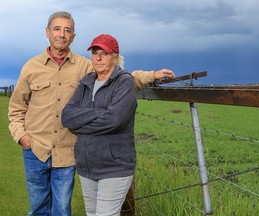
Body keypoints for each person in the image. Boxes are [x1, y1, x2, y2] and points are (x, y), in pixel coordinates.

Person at [8, 11, 174, 216]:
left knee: (61, 209)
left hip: (67, 152)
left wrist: (152, 75)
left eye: (67, 30)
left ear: (73, 37)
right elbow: (16, 108)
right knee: (38, 208)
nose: (62, 34)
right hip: (36, 149)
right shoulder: (31, 67)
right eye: (57, 29)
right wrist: (22, 137)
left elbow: (120, 76)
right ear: (47, 32)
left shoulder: (85, 66)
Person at [62, 33, 136, 216]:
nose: (99, 57)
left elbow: (114, 120)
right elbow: (67, 117)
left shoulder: (124, 81)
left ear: (115, 58)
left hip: (115, 166)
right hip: (87, 166)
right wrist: (99, 112)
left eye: (105, 53)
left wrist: (81, 122)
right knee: (92, 213)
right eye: (95, 53)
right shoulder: (86, 82)